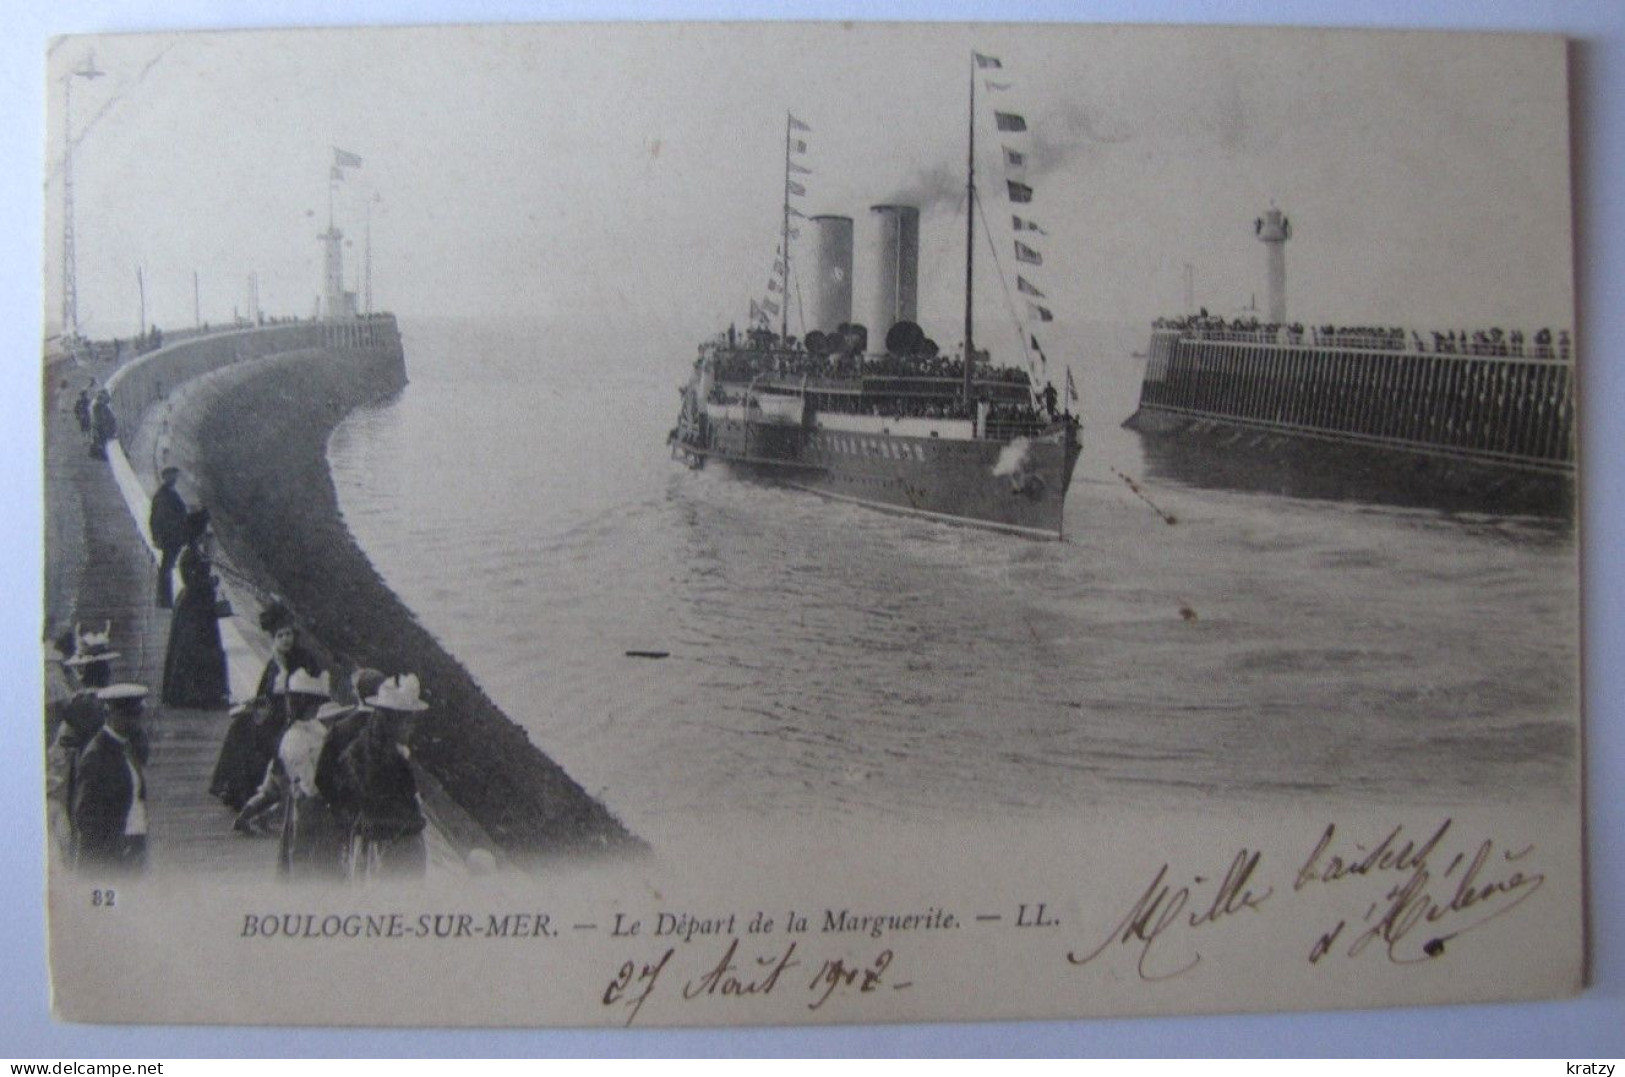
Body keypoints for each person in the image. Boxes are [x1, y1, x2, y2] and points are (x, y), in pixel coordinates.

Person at [235, 670, 348, 880]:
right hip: (312, 806)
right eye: (316, 704)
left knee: (314, 858)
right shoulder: (297, 737)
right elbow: (310, 785)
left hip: (315, 804)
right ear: (306, 705)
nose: (319, 709)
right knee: (309, 859)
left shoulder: (312, 730)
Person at [208, 601, 320, 810]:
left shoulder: (303, 659)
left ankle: (246, 791)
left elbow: (309, 693)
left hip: (293, 715)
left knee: (255, 734)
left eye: (288, 634)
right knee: (241, 725)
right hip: (272, 713)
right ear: (274, 639)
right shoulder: (275, 660)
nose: (286, 640)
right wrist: (253, 707)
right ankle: (233, 788)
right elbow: (265, 693)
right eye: (280, 636)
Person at [334, 673, 432, 882]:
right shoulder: (393, 761)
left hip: (373, 841)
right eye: (409, 721)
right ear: (395, 722)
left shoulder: (360, 750)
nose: (413, 728)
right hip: (399, 845)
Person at [71, 683, 152, 873]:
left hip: (132, 842)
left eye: (138, 715)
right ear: (111, 716)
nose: (137, 722)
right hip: (111, 855)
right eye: (130, 716)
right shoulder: (96, 755)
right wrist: (113, 851)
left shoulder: (127, 745)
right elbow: (85, 815)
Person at [160, 510, 230, 708]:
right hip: (196, 609)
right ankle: (199, 694)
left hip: (195, 607)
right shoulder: (192, 554)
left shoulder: (193, 552)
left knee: (193, 649)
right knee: (197, 649)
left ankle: (200, 693)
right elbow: (193, 581)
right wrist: (211, 582)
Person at [149, 467, 189, 609]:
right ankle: (165, 601)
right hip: (171, 537)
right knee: (167, 567)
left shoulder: (168, 494)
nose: (175, 479)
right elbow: (159, 518)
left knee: (167, 566)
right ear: (167, 478)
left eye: (175, 476)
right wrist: (158, 536)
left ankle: (164, 600)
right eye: (172, 476)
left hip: (173, 537)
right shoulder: (164, 496)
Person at [89, 390, 117, 461]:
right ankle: (100, 454)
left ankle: (96, 453)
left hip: (98, 424)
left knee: (99, 440)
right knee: (101, 440)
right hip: (99, 425)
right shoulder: (98, 405)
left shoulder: (97, 404)